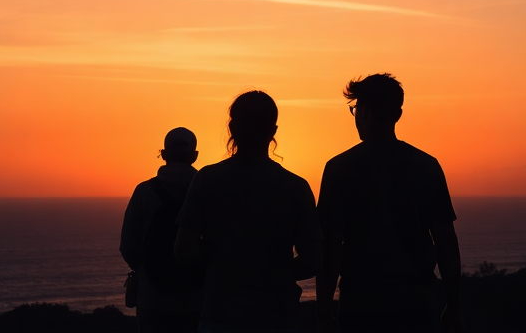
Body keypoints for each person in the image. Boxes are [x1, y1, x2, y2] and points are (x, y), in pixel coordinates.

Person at [315, 74, 462, 333]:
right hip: (418, 306)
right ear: (398, 114)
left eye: (356, 108)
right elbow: (446, 242)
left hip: (361, 307)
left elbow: (330, 248)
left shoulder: (339, 168)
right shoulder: (427, 166)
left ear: (365, 112)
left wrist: (323, 311)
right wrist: (454, 305)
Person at [175, 90, 322, 333]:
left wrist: (224, 269)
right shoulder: (295, 187)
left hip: (220, 315)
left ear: (232, 127)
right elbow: (313, 260)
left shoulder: (207, 180)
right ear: (273, 131)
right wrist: (272, 274)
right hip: (278, 316)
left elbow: (183, 251)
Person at [120, 127, 205, 333]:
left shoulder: (144, 191)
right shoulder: (207, 191)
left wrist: (148, 269)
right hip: (197, 299)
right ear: (194, 156)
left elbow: (128, 245)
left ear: (164, 154)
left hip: (153, 298)